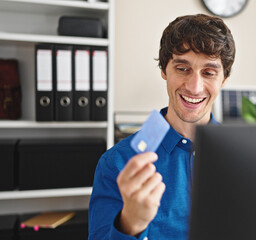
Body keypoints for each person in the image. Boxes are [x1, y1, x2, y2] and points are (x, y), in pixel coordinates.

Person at [88, 14, 236, 240]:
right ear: (164, 70)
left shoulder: (242, 160)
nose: (194, 87)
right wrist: (131, 224)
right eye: (183, 68)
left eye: (208, 73)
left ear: (224, 78)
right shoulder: (117, 163)